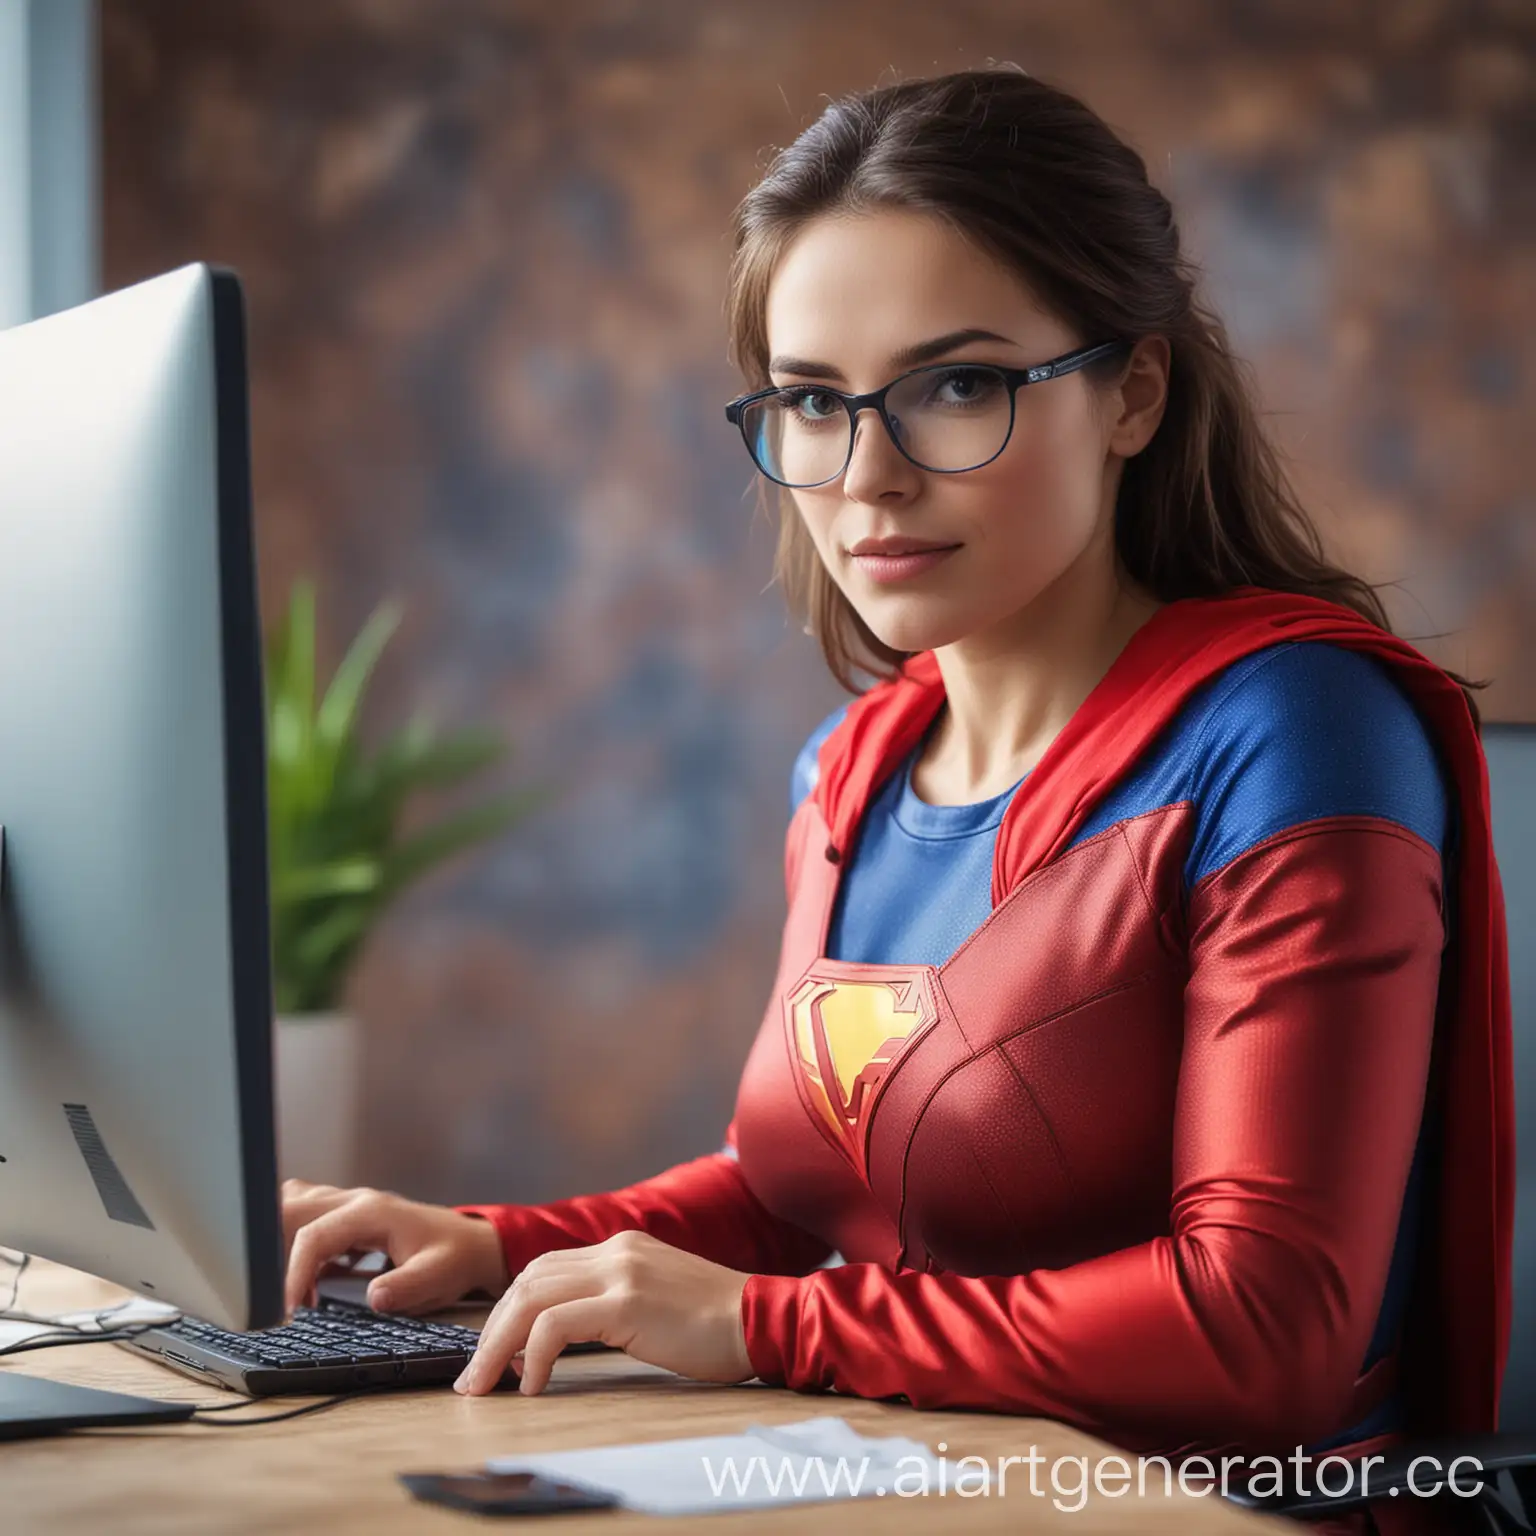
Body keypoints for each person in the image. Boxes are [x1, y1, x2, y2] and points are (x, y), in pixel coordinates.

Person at [281, 68, 1512, 1533]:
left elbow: (1268, 1333)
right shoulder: (855, 765)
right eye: (812, 402)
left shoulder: (1294, 728)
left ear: (1135, 391)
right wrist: (499, 1241)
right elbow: (808, 1190)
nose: (868, 475)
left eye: (954, 385)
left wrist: (767, 1327)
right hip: (919, 1492)